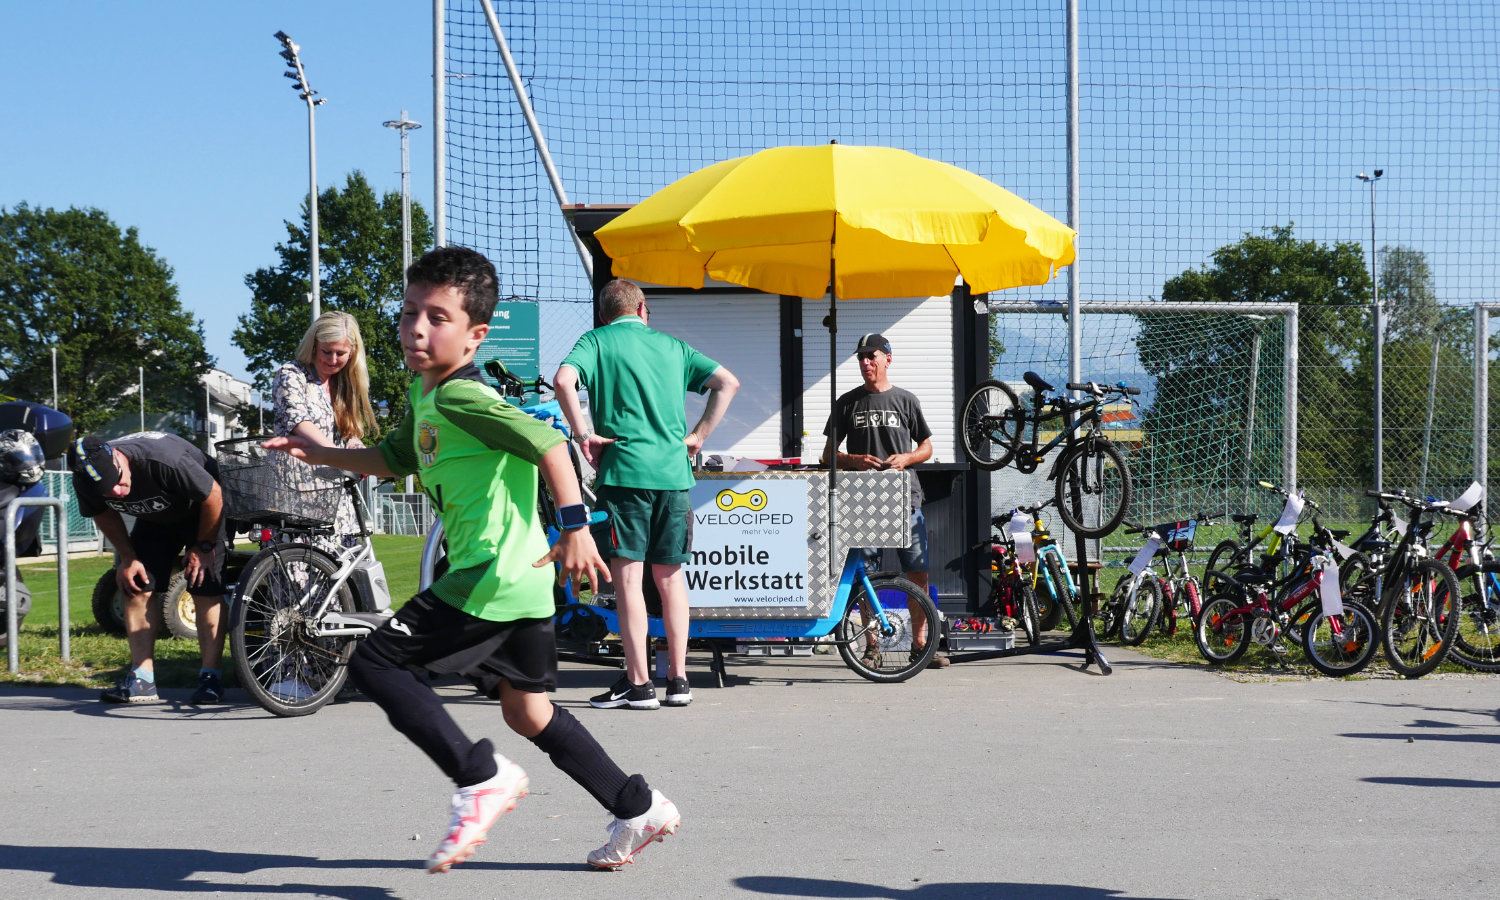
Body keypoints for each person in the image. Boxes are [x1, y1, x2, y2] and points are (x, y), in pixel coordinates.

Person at [263, 247, 679, 872]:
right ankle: (636, 805)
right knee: (527, 710)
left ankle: (478, 777)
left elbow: (551, 445)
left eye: (437, 317)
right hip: (523, 584)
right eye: (409, 313)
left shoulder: (463, 398)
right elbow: (392, 458)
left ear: (476, 334)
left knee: (377, 662)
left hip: (491, 573)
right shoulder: (426, 394)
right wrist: (321, 453)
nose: (416, 329)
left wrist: (575, 527)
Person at [554, 278, 739, 710]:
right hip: (674, 478)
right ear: (642, 310)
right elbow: (728, 382)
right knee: (672, 580)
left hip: (624, 476)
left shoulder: (596, 341)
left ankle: (639, 685)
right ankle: (679, 681)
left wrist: (585, 435)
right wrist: (697, 437)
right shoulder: (673, 347)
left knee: (630, 582)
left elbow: (564, 381)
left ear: (604, 315)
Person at [69, 432, 232, 703]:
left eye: (118, 482)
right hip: (155, 518)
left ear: (118, 457)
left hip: (203, 510)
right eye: (107, 491)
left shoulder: (164, 460)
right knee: (136, 584)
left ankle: (210, 678)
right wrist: (127, 556)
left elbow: (214, 496)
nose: (117, 493)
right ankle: (142, 680)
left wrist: (203, 547)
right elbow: (102, 513)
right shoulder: (85, 477)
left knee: (204, 584)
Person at [820, 332, 948, 669]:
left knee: (917, 575)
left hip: (906, 500)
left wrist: (906, 458)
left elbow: (927, 447)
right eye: (861, 357)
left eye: (871, 356)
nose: (865, 363)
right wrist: (855, 460)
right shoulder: (847, 402)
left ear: (887, 359)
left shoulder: (906, 400)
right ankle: (871, 646)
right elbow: (826, 456)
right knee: (866, 577)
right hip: (864, 503)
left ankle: (921, 646)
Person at [271, 310, 376, 547]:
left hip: (336, 501)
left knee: (341, 575)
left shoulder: (344, 385)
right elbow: (298, 421)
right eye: (326, 351)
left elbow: (350, 435)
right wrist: (340, 457)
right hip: (296, 497)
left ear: (352, 353)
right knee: (297, 576)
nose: (332, 359)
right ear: (314, 345)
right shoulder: (291, 375)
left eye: (341, 353)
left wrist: (362, 455)